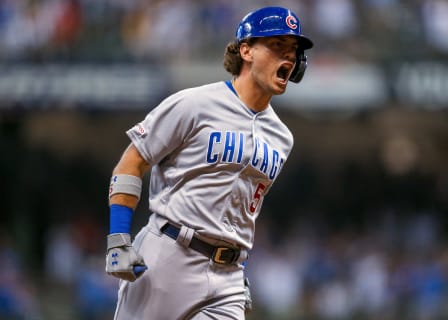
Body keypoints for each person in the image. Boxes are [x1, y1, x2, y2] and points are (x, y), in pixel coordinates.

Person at [105, 6, 314, 319]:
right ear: (246, 51)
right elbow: (132, 162)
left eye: (294, 51)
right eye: (277, 46)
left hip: (228, 276)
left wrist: (234, 258)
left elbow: (241, 205)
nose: (289, 57)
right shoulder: (195, 104)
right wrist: (119, 238)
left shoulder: (282, 138)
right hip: (168, 255)